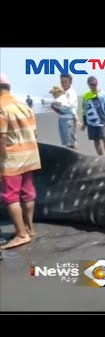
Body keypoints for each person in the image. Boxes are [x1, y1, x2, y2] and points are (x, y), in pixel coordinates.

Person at [0, 74, 42, 250]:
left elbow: (1, 138)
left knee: (10, 196)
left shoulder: (1, 107)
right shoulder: (23, 106)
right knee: (27, 192)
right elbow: (35, 132)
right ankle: (30, 229)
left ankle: (21, 234)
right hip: (30, 155)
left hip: (12, 158)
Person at [81, 76, 105, 156]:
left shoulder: (104, 94)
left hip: (103, 121)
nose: (93, 86)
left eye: (94, 84)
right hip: (91, 122)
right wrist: (84, 123)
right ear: (88, 85)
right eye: (91, 84)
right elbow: (84, 110)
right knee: (96, 140)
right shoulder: (86, 96)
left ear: (97, 83)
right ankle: (101, 157)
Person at [56, 74, 80, 149]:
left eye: (66, 82)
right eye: (62, 82)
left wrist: (58, 104)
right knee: (66, 141)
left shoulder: (71, 92)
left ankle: (76, 157)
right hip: (61, 118)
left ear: (70, 82)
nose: (63, 84)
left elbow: (68, 106)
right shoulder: (62, 92)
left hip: (69, 119)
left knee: (71, 141)